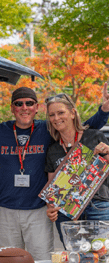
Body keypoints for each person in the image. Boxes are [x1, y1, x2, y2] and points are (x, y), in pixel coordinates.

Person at [0, 84, 109, 260]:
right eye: (18, 104)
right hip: (11, 209)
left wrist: (104, 110)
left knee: (96, 259)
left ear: (36, 108)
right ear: (12, 108)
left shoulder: (46, 129)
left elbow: (83, 128)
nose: (24, 107)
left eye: (29, 103)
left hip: (52, 209)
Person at [45, 93, 109, 239]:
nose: (56, 118)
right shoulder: (53, 149)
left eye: (61, 113)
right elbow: (51, 186)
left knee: (102, 255)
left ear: (73, 113)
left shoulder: (94, 136)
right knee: (75, 257)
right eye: (52, 115)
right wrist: (51, 208)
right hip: (67, 212)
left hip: (98, 206)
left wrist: (107, 152)